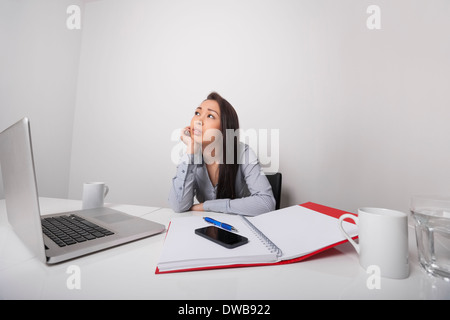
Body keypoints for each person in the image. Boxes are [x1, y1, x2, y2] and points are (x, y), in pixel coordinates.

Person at [168, 92, 276, 216]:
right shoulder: (191, 156)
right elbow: (178, 206)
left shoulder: (243, 153)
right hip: (206, 227)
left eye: (210, 116)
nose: (199, 120)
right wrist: (191, 150)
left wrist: (206, 206)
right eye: (197, 113)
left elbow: (266, 203)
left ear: (224, 129)